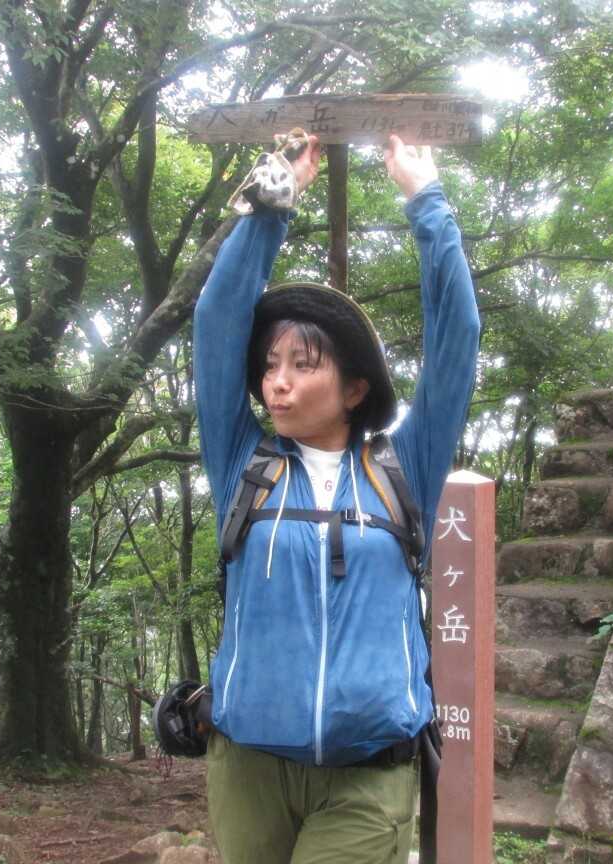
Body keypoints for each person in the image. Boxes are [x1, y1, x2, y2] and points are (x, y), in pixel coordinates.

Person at [193, 132, 481, 864]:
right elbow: (216, 323)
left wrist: (426, 201)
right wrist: (271, 206)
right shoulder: (245, 465)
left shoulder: (403, 468)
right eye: (270, 366)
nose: (277, 382)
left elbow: (456, 339)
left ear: (354, 389)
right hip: (248, 768)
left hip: (369, 775)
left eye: (302, 364)